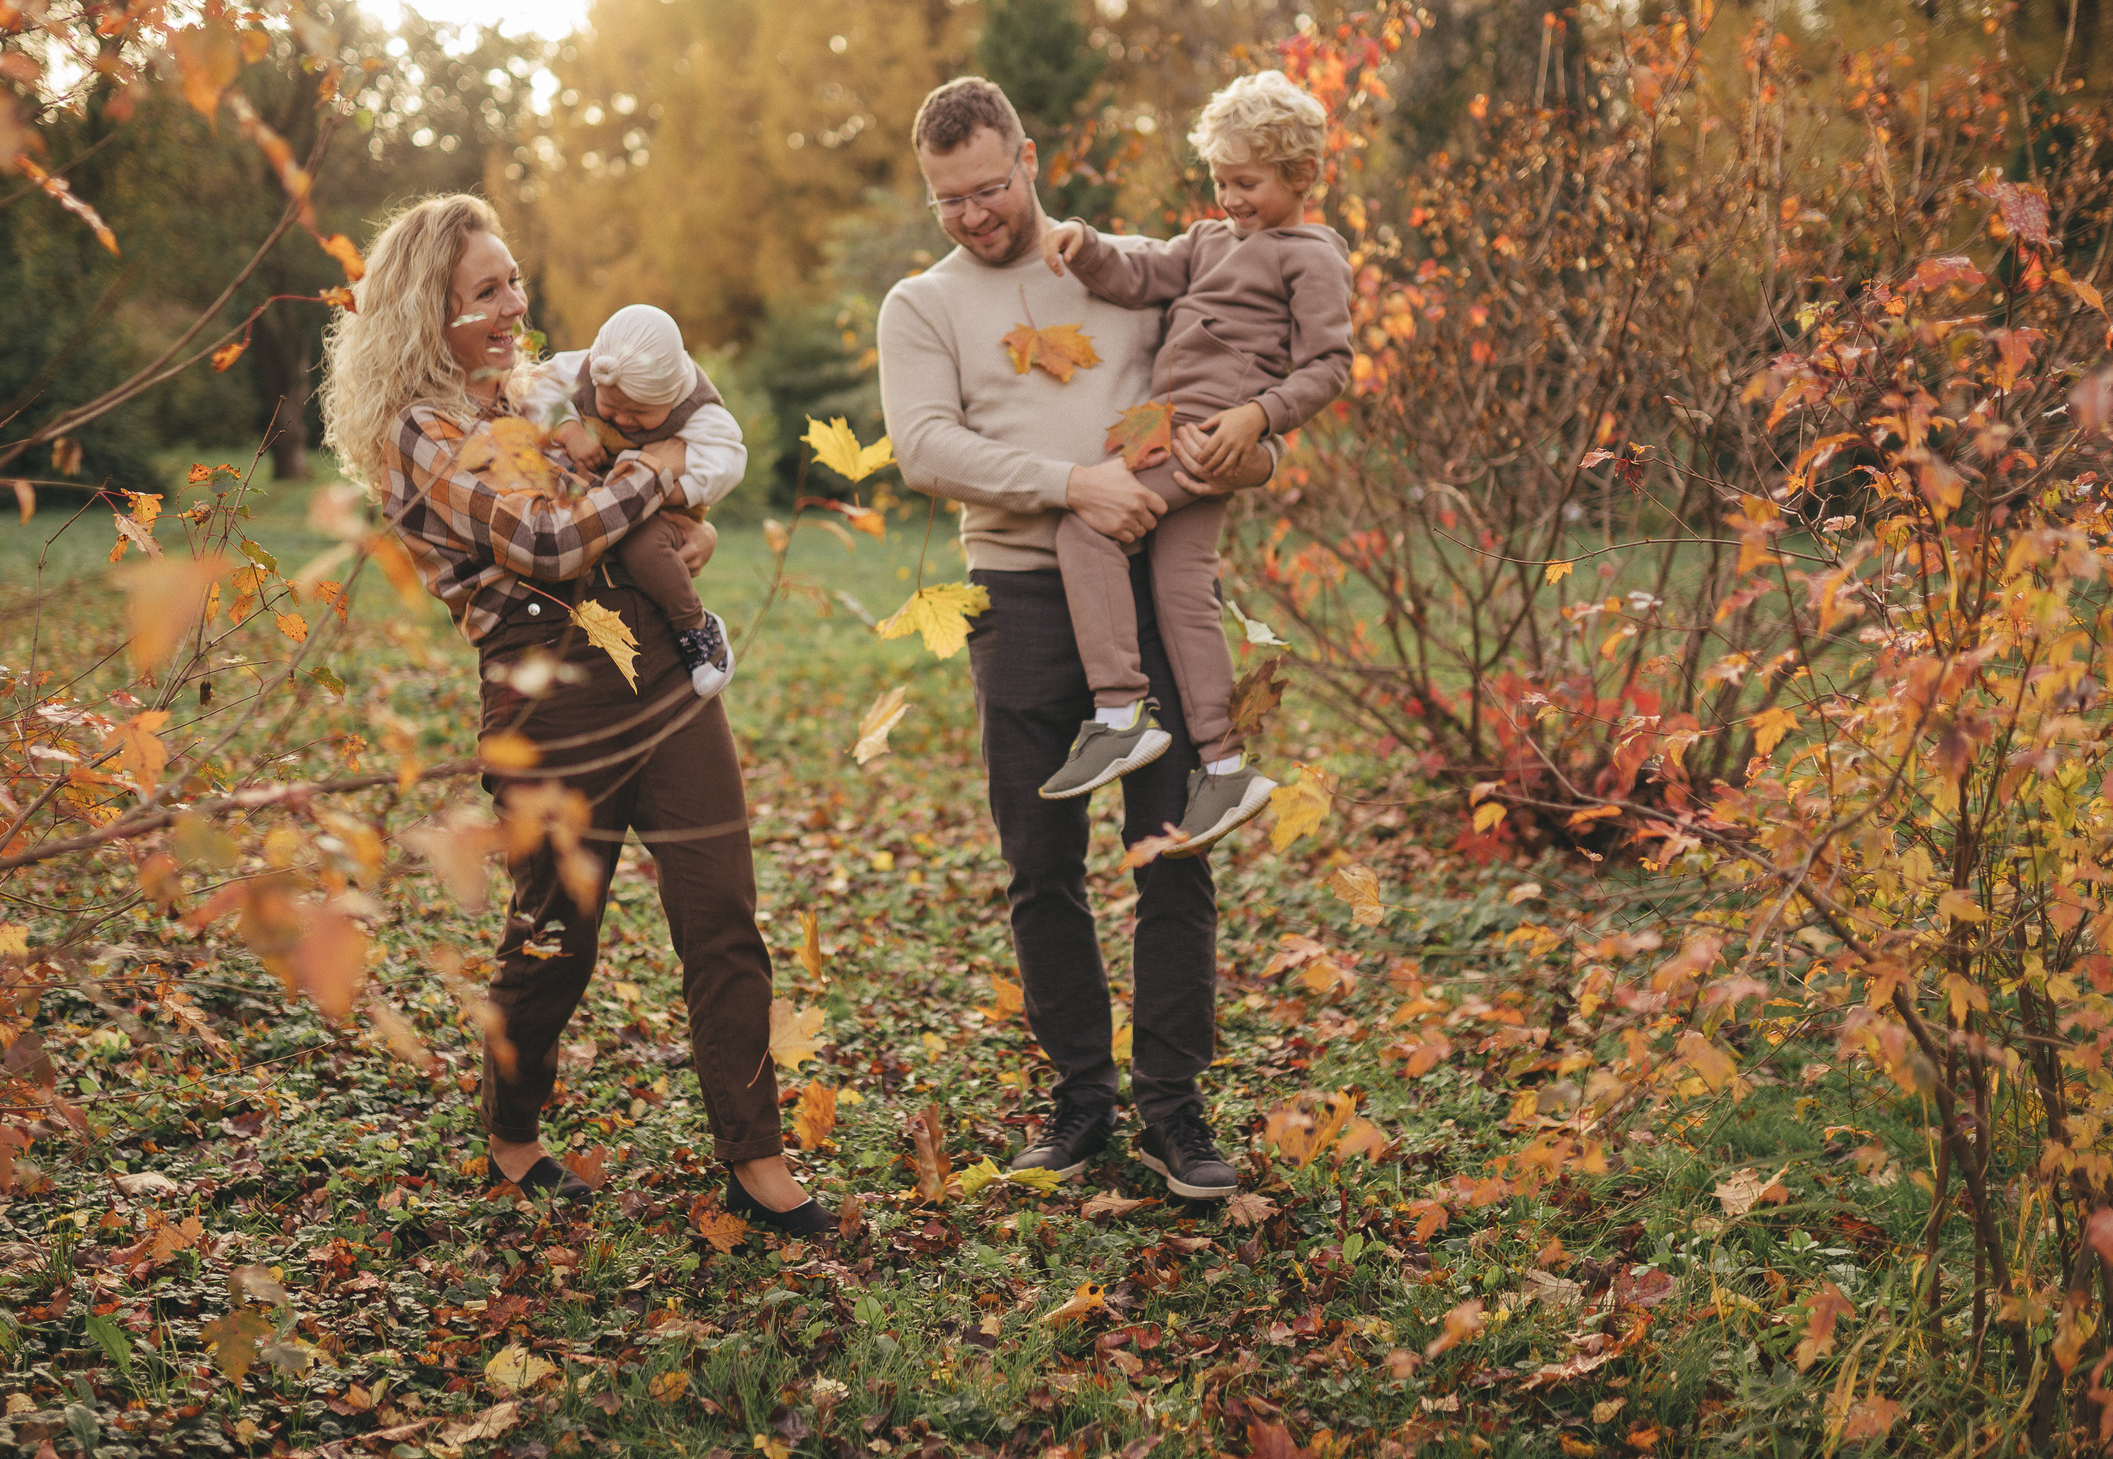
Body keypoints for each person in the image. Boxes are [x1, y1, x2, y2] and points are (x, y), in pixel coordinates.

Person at [318, 193, 829, 1238]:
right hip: (545, 692)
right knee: (557, 935)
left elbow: (649, 495)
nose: (517, 303)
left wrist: (687, 519)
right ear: (428, 311)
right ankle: (512, 1132)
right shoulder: (421, 432)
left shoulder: (538, 390)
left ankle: (757, 1155)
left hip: (661, 667)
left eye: (514, 280)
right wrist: (654, 473)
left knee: (722, 911)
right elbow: (547, 544)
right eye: (488, 289)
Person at [876, 77, 1277, 1201]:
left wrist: (1254, 449)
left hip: (1150, 596)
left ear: (1030, 160)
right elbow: (924, 447)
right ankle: (1081, 1102)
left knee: (1173, 854)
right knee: (1040, 866)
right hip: (1017, 602)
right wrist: (1073, 484)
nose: (973, 214)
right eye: (949, 199)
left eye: (989, 187)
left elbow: (1235, 387)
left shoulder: (1136, 271)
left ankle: (1173, 1109)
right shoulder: (922, 305)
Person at [1034, 71, 1352, 849]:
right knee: (1183, 592)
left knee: (1085, 528)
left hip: (1206, 431)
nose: (1231, 197)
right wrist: (1085, 244)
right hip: (1165, 422)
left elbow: (1329, 366)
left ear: (1303, 175)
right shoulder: (1208, 241)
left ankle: (1119, 712)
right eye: (1220, 180)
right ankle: (1224, 765)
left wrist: (1259, 416)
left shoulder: (1311, 257)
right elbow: (1141, 276)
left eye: (1247, 182)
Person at [516, 302, 748, 698]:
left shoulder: (697, 410)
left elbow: (727, 461)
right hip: (597, 503)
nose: (622, 420)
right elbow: (539, 386)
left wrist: (667, 490)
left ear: (673, 395)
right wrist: (569, 429)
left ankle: (696, 627)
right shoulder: (582, 371)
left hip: (662, 513)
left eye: (639, 413)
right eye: (610, 407)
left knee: (642, 548)